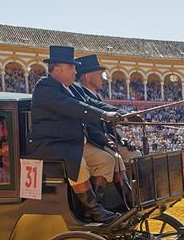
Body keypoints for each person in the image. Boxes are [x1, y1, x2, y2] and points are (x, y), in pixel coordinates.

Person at [27, 46, 122, 223]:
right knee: (77, 163)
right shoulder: (45, 87)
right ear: (58, 68)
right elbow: (72, 106)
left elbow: (93, 103)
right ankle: (93, 209)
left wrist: (120, 113)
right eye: (72, 67)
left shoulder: (73, 88)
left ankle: (93, 206)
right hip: (51, 145)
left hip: (73, 142)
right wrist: (102, 116)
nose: (75, 71)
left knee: (106, 160)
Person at [70, 54, 136, 209]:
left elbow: (107, 120)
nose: (103, 78)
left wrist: (122, 138)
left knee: (134, 156)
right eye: (100, 74)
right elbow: (90, 123)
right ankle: (105, 203)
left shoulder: (95, 95)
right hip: (94, 140)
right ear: (87, 76)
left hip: (102, 140)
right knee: (115, 158)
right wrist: (106, 140)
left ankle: (127, 197)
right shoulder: (81, 92)